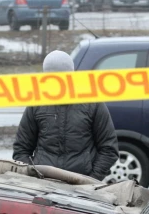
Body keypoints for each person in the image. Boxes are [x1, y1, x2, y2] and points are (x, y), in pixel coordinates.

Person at [12, 50, 119, 181]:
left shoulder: (92, 103)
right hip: (43, 184)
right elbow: (21, 149)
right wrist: (33, 176)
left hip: (82, 185)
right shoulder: (37, 104)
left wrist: (91, 179)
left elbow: (109, 149)